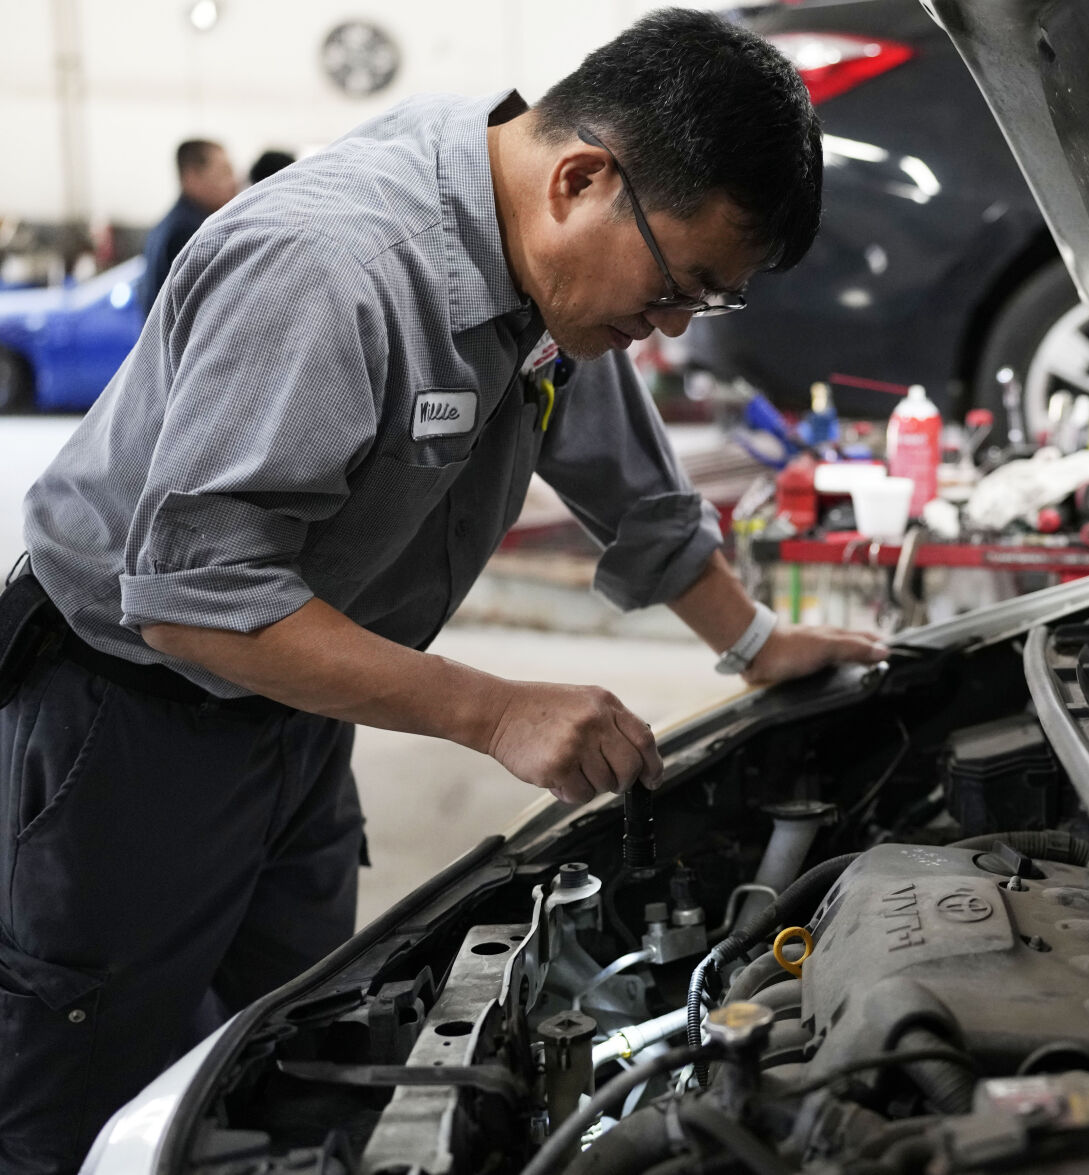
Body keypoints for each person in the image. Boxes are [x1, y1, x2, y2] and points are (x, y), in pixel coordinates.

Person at [0, 10, 885, 1172]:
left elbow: (631, 484)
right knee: (82, 1087)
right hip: (129, 722)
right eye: (681, 286)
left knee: (285, 1044)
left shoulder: (536, 239)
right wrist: (493, 707)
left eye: (706, 304)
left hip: (300, 702)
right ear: (582, 176)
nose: (670, 326)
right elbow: (192, 596)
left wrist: (754, 639)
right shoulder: (336, 268)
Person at [138, 138, 236, 310]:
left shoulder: (169, 224)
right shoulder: (190, 232)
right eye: (225, 173)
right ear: (192, 177)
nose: (234, 182)